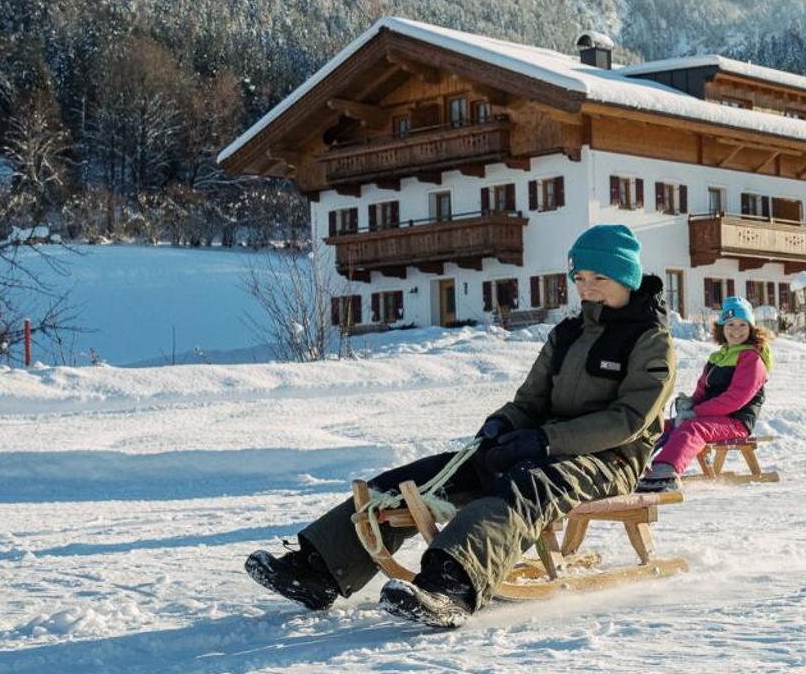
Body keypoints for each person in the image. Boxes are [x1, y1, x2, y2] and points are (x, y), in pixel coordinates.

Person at [246, 224, 674, 628]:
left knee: (525, 485)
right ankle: (319, 567)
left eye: (598, 277)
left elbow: (629, 420)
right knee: (421, 477)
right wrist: (503, 424)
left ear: (627, 277)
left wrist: (545, 440)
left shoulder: (650, 339)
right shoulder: (566, 334)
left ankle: (451, 584)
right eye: (579, 276)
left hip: (609, 458)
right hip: (543, 444)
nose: (586, 287)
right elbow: (531, 401)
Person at [638, 295, 773, 493]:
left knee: (693, 428)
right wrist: (689, 404)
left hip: (736, 421)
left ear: (751, 328)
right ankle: (629, 466)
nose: (736, 331)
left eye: (742, 325)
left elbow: (735, 399)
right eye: (730, 325)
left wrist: (695, 413)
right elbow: (702, 391)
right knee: (662, 426)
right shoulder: (717, 357)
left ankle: (666, 472)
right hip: (709, 417)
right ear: (722, 328)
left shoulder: (752, 358)